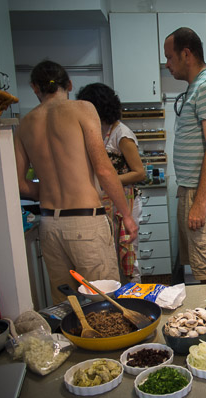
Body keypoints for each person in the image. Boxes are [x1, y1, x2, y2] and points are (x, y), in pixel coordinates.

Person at [14, 60, 138, 304]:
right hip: (85, 222)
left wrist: (49, 189)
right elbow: (103, 169)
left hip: (49, 226)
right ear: (69, 84)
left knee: (67, 305)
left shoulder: (24, 124)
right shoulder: (82, 109)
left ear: (34, 87)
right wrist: (127, 215)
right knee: (105, 301)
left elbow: (19, 184)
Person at [163, 27, 206, 284]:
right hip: (194, 191)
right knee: (204, 271)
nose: (167, 64)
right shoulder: (196, 88)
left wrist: (200, 202)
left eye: (170, 57)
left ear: (186, 54)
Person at [76, 83, 146, 284]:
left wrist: (108, 181)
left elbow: (139, 173)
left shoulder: (121, 134)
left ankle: (134, 294)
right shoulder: (96, 131)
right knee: (110, 255)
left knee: (128, 252)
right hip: (106, 202)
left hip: (126, 202)